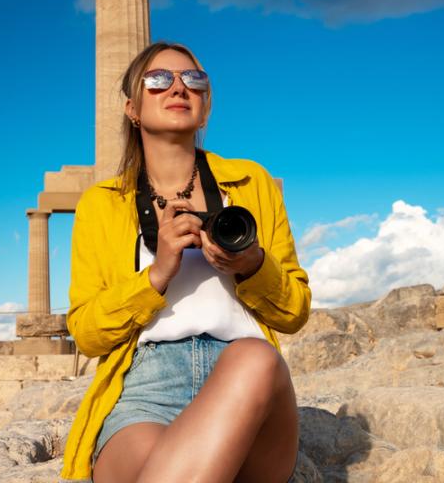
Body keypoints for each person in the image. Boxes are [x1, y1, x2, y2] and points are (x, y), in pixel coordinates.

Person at [59, 42, 311, 482]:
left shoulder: (252, 183)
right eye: (159, 80)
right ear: (132, 108)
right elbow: (87, 333)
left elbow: (295, 312)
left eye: (193, 79)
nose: (178, 87)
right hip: (145, 390)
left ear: (205, 104)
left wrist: (252, 263)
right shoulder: (102, 205)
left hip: (249, 385)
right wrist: (155, 275)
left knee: (254, 357)